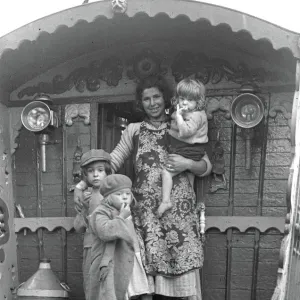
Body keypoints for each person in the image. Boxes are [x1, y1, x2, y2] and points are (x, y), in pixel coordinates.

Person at [75, 75, 211, 300]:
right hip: (146, 212)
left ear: (166, 98)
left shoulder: (181, 124)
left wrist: (187, 164)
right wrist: (82, 184)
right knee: (148, 272)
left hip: (179, 209)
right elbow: (112, 161)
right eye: (146, 99)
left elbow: (206, 166)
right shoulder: (134, 130)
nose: (153, 103)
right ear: (141, 102)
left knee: (181, 263)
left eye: (156, 96)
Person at [88, 174, 152, 300]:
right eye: (119, 194)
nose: (124, 197)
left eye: (127, 194)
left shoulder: (131, 211)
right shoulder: (100, 212)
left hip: (132, 259)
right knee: (116, 292)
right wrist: (121, 217)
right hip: (114, 262)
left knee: (137, 293)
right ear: (107, 197)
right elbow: (105, 232)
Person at [158, 78, 208, 217]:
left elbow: (186, 132)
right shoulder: (188, 112)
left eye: (190, 100)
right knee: (189, 177)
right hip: (187, 149)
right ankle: (190, 201)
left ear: (198, 102)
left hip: (188, 149)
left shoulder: (197, 116)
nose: (185, 102)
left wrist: (179, 117)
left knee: (166, 173)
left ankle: (166, 200)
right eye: (182, 98)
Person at [73, 149, 112, 299]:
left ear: (107, 172)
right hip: (90, 246)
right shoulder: (86, 196)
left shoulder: (113, 194)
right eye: (90, 171)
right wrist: (84, 208)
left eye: (100, 170)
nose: (95, 174)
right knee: (91, 285)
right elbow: (78, 227)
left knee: (109, 286)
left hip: (108, 247)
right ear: (86, 175)